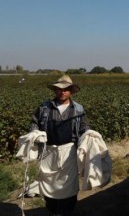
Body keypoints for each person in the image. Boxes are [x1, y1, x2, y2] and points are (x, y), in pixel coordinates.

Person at [30, 74, 89, 216]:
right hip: (48, 152)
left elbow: (84, 127)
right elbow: (34, 122)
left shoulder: (78, 109)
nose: (62, 92)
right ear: (55, 90)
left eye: (66, 89)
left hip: (69, 152)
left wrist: (88, 136)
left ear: (71, 91)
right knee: (49, 184)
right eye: (59, 89)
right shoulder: (44, 108)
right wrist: (35, 134)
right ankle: (52, 210)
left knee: (68, 184)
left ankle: (67, 211)